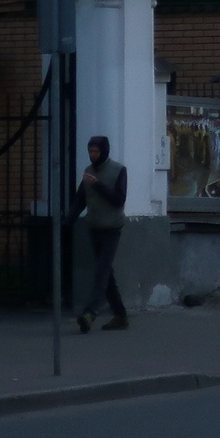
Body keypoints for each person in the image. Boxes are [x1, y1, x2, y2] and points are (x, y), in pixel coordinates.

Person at [76, 135, 129, 332]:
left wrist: (97, 184)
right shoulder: (89, 172)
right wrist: (66, 221)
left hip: (112, 229)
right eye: (90, 151)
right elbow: (80, 200)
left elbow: (118, 199)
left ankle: (90, 314)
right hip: (94, 228)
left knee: (101, 272)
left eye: (96, 151)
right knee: (107, 274)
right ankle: (120, 315)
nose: (92, 155)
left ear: (104, 151)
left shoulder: (118, 170)